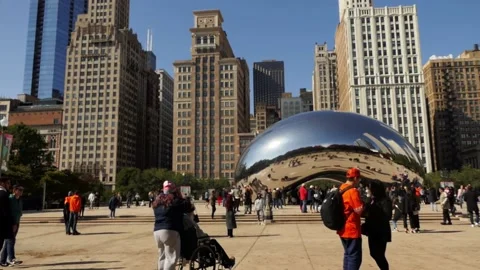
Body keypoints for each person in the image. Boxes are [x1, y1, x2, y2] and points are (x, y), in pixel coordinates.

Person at [153, 181, 190, 270]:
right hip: (170, 230)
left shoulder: (157, 202)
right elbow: (187, 206)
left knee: (162, 257)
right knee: (170, 259)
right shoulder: (175, 200)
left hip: (157, 231)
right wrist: (181, 196)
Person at [337, 168, 364, 270]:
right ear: (356, 178)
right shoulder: (353, 191)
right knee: (354, 258)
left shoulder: (341, 188)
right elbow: (359, 210)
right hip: (352, 229)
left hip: (342, 228)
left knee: (348, 255)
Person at [363, 180, 392, 270]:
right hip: (372, 231)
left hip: (381, 231)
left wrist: (372, 213)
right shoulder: (372, 199)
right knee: (373, 253)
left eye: (371, 188)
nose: (369, 190)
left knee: (379, 254)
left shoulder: (385, 200)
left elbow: (388, 215)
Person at [0, 185, 23, 266]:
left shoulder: (19, 199)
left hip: (16, 221)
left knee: (8, 242)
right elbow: (8, 211)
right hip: (10, 222)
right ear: (15, 190)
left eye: (22, 190)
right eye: (19, 190)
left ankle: (3, 260)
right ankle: (11, 258)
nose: (21, 192)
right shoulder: (10, 198)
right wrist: (12, 223)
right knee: (11, 240)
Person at [0, 177, 14, 268]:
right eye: (8, 183)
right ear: (2, 183)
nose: (9, 185)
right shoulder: (3, 194)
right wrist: (11, 223)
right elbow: (6, 211)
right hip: (2, 223)